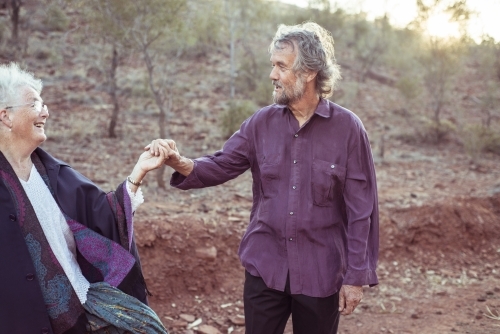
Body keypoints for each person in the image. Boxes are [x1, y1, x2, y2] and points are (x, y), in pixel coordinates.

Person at [148, 22, 379, 334]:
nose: (273, 75)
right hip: (266, 266)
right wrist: (179, 161)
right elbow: (220, 165)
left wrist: (354, 278)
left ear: (309, 72)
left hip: (320, 272)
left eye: (281, 67)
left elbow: (361, 210)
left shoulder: (348, 129)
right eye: (273, 65)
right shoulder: (260, 124)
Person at [0, 62, 169, 334]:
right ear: (5, 116)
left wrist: (139, 171)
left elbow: (104, 215)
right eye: (34, 104)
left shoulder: (54, 173)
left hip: (83, 309)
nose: (45, 110)